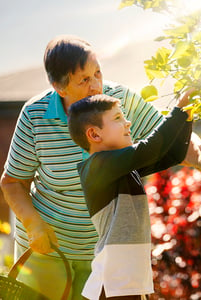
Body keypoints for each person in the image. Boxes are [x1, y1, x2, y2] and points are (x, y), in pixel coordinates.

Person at [0, 35, 201, 299]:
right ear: (60, 87)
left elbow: (168, 138)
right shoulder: (35, 115)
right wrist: (34, 225)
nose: (96, 86)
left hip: (103, 251)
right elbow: (12, 182)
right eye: (84, 80)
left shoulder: (117, 103)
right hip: (48, 249)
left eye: (98, 73)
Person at [67, 93, 192, 300]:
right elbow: (150, 150)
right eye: (118, 118)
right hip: (114, 283)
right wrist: (179, 109)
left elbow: (173, 154)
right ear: (95, 134)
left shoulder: (123, 169)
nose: (128, 123)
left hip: (129, 282)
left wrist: (187, 116)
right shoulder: (96, 167)